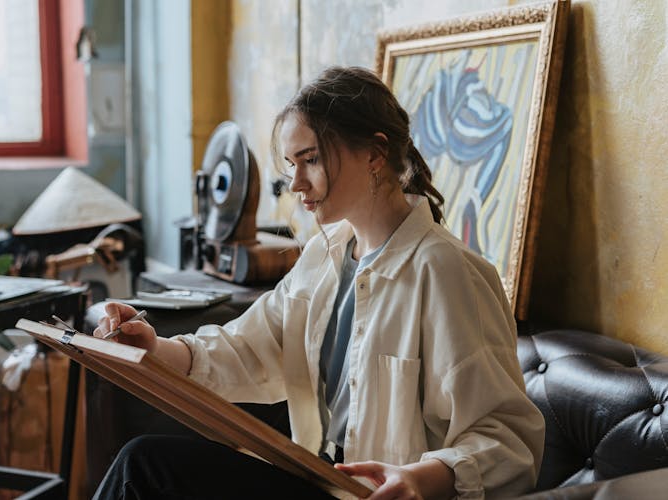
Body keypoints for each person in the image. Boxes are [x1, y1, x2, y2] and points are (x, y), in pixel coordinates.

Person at [93, 66, 544, 500]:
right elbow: (249, 348)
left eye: (309, 160)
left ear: (374, 153)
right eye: (291, 164)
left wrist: (424, 479)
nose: (295, 183)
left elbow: (508, 439)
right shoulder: (322, 258)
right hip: (313, 478)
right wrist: (154, 349)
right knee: (146, 464)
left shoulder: (447, 273)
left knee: (143, 465)